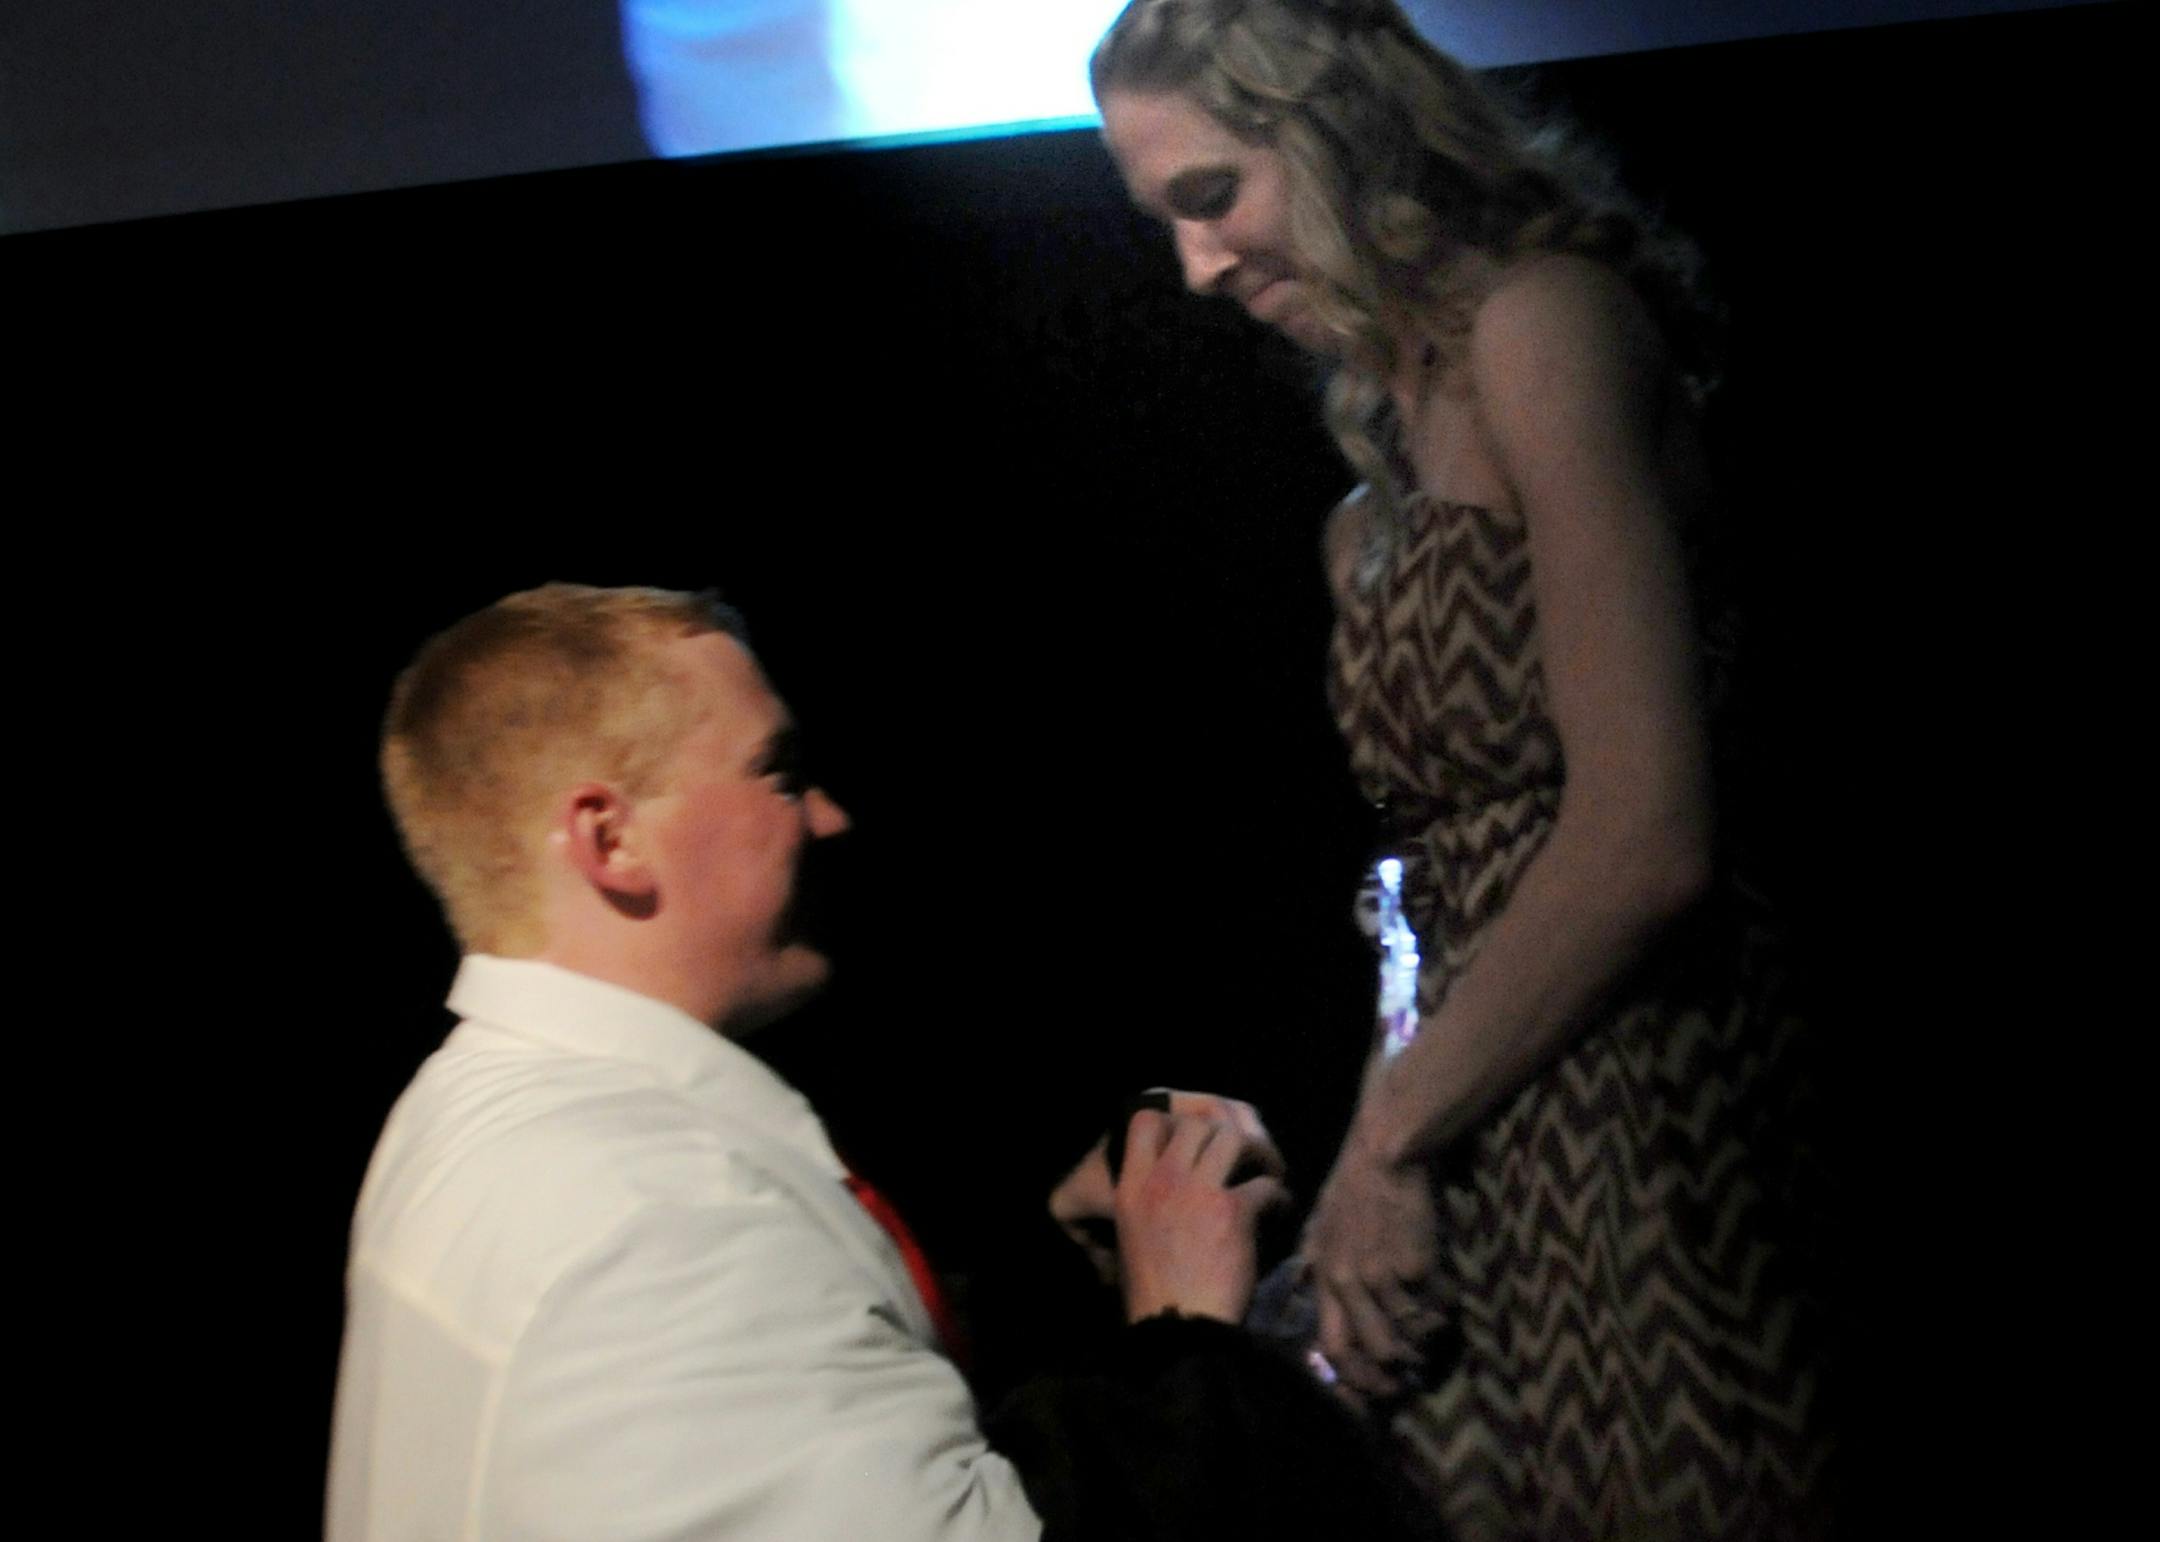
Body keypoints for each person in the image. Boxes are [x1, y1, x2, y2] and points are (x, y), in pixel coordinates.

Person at [1092, 3, 1835, 1538]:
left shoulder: (1544, 321)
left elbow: (1645, 831)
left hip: (1648, 1091)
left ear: (1333, 126)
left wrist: (1388, 1138)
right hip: (1483, 1109)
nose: (1197, 270)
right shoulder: (1365, 510)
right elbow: (1429, 890)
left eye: (1211, 198)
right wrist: (1391, 1136)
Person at [327, 581, 1433, 1542]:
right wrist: (1183, 1337)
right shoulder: (653, 1212)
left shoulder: (491, 1106)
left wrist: (1052, 1266)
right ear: (608, 840)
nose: (827, 815)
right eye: (776, 771)